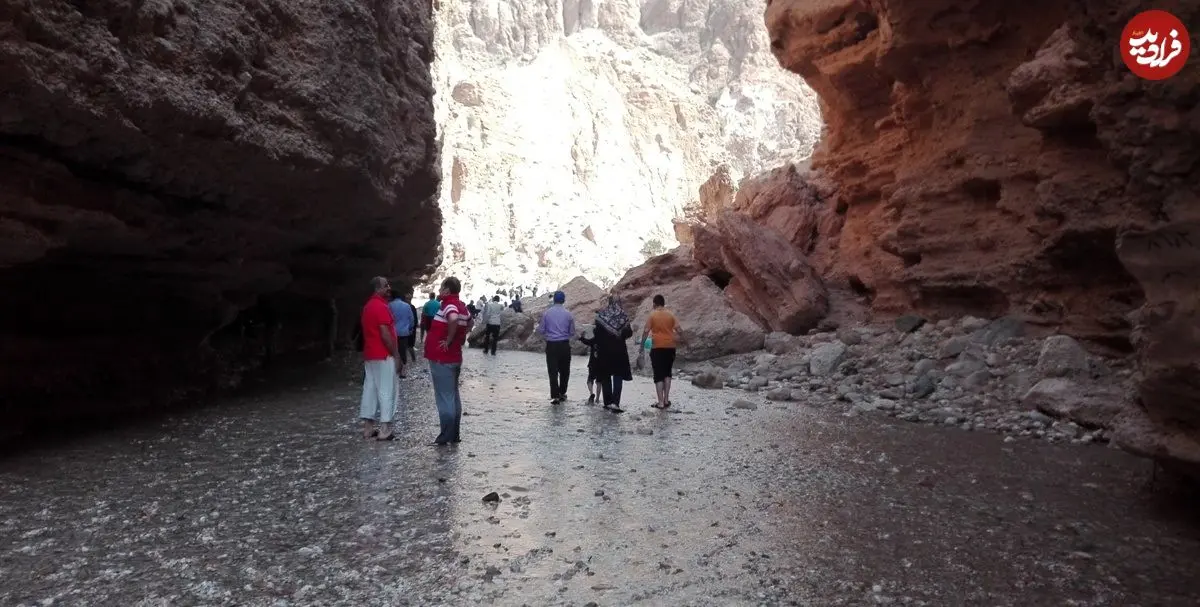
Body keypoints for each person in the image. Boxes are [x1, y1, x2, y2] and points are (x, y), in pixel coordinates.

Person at [424, 277, 472, 445]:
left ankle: (445, 435)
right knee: (453, 396)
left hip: (442, 358)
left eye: (441, 287)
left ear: (447, 290)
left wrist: (449, 340)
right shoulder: (462, 306)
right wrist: (461, 337)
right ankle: (454, 434)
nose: (439, 290)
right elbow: (470, 321)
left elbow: (452, 318)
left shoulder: (449, 305)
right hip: (454, 357)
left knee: (444, 397)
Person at [360, 276, 399, 440]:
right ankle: (385, 428)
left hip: (370, 354)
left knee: (370, 389)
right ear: (377, 289)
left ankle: (368, 428)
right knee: (387, 389)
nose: (388, 288)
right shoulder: (381, 307)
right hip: (384, 354)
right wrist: (396, 354)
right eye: (385, 285)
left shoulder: (367, 306)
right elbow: (385, 333)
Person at [588, 295, 635, 412]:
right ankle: (616, 403)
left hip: (604, 352)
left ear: (608, 303)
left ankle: (607, 402)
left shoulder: (602, 316)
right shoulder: (623, 316)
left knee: (605, 376)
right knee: (618, 376)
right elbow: (629, 333)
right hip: (619, 351)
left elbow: (597, 334)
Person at [640, 294, 681, 409]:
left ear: (654, 304)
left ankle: (660, 402)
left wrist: (642, 346)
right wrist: (686, 341)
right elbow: (679, 329)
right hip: (670, 347)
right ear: (663, 303)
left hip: (657, 348)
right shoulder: (671, 314)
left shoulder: (652, 315)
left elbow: (646, 331)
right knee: (667, 373)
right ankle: (666, 400)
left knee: (658, 374)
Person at [536, 290, 575, 404]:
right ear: (563, 300)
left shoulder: (547, 313)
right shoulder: (569, 314)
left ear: (554, 300)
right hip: (564, 345)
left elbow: (541, 330)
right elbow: (572, 332)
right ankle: (562, 392)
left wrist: (548, 334)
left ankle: (555, 396)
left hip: (551, 345)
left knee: (552, 371)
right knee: (565, 371)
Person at [389, 288, 415, 378]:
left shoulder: (389, 305)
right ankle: (402, 371)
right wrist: (410, 328)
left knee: (393, 351)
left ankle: (394, 369)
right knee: (403, 351)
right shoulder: (407, 306)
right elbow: (411, 319)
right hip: (404, 332)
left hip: (392, 332)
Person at [578, 331, 602, 404]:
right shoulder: (604, 340)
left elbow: (586, 341)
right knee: (599, 382)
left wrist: (581, 337)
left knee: (590, 380)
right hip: (601, 364)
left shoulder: (593, 340)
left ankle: (591, 393)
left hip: (592, 364)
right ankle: (597, 399)